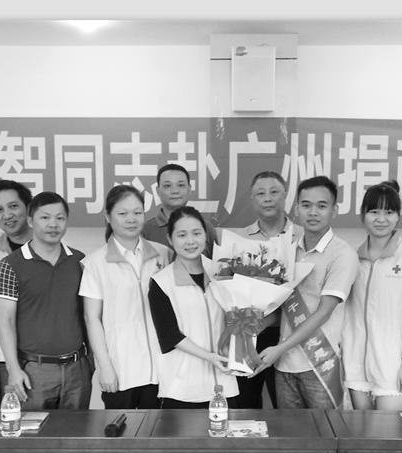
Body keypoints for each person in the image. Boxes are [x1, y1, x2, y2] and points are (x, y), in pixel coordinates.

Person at [254, 176, 358, 410]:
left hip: (320, 364)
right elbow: (280, 305)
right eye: (306, 205)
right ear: (296, 209)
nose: (313, 212)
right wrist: (249, 326)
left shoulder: (342, 254)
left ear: (334, 210)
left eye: (322, 206)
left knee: (326, 431)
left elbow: (324, 312)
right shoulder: (288, 249)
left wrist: (279, 349)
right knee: (292, 432)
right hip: (284, 365)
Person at [0, 192, 92, 410]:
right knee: (34, 431)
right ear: (30, 221)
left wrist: (91, 362)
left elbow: (89, 315)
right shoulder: (9, 265)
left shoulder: (80, 261)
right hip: (33, 370)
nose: (53, 224)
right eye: (45, 217)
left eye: (60, 218)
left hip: (77, 368)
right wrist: (13, 369)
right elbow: (5, 322)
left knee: (77, 430)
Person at [80, 185, 171, 409]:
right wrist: (105, 367)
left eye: (137, 212)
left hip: (162, 369)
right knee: (121, 428)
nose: (131, 219)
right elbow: (92, 319)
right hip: (121, 369)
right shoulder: (95, 263)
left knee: (159, 428)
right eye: (123, 213)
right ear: (108, 217)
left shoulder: (163, 254)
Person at [343, 181, 402, 411]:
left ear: (398, 216)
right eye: (374, 211)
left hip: (393, 364)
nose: (381, 219)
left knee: (386, 429)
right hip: (355, 363)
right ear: (363, 215)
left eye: (389, 212)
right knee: (359, 429)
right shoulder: (350, 257)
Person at [148, 206, 238, 408]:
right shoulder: (161, 282)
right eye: (182, 235)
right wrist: (210, 357)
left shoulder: (222, 273)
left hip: (225, 384)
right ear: (170, 239)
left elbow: (234, 319)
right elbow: (169, 335)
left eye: (197, 233)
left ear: (206, 235)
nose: (190, 241)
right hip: (183, 389)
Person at [232, 170, 302, 409]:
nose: (268, 198)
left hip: (289, 334)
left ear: (286, 195)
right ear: (252, 199)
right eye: (260, 194)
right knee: (245, 402)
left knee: (287, 406)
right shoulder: (240, 239)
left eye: (274, 192)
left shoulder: (302, 236)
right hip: (250, 332)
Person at [0, 180, 33, 406]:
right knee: (13, 417)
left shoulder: (49, 244)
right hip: (5, 356)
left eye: (13, 206)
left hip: (44, 354)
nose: (7, 215)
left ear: (28, 207)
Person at [143, 163, 217, 257]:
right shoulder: (145, 231)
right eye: (167, 186)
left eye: (181, 185)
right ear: (157, 191)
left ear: (189, 189)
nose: (175, 191)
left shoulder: (206, 227)